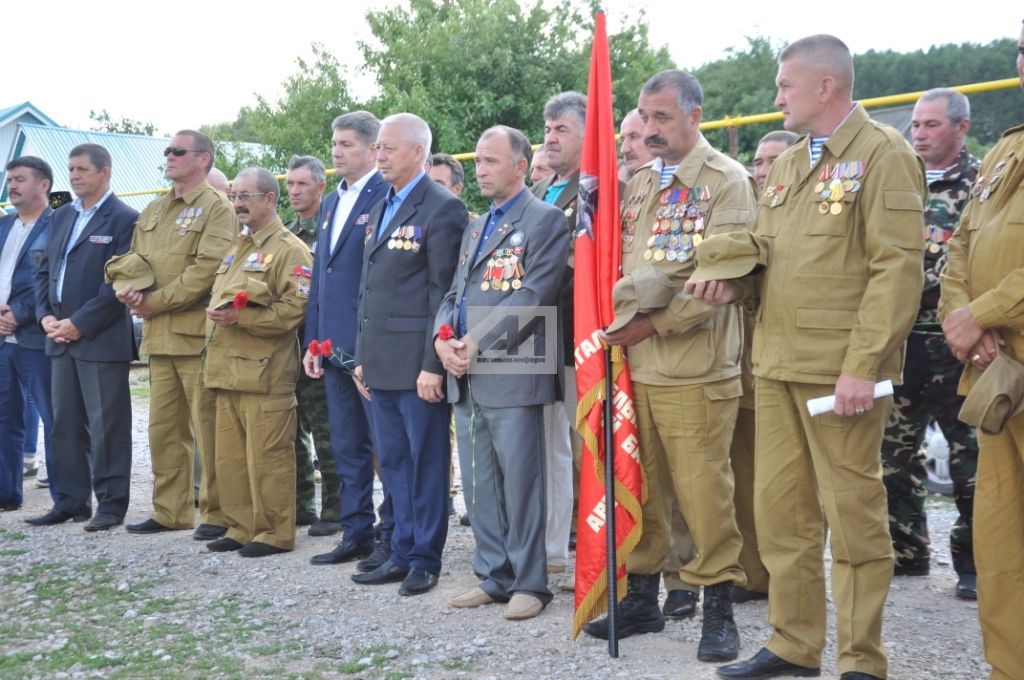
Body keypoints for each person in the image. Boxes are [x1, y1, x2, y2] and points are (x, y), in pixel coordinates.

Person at [687, 35, 925, 680]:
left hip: (838, 374)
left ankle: (861, 659)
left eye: (785, 86)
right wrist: (732, 283)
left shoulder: (884, 154)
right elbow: (769, 258)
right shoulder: (790, 164)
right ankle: (794, 644)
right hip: (776, 365)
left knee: (853, 519)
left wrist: (865, 366)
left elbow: (896, 270)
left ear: (826, 86)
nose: (776, 98)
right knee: (781, 515)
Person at [586, 70, 755, 665]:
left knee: (705, 493)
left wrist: (652, 324)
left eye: (662, 118)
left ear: (694, 116)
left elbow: (721, 284)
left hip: (693, 367)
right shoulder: (637, 183)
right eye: (643, 117)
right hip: (632, 364)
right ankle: (641, 596)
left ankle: (717, 607)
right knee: (642, 485)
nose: (650, 130)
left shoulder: (725, 183)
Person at [437, 125, 568, 620]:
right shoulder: (477, 225)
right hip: (465, 368)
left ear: (520, 166)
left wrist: (476, 342)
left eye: (490, 162)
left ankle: (531, 583)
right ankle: (494, 576)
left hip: (514, 366)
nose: (480, 170)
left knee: (521, 481)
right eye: (478, 162)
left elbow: (534, 294)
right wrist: (441, 340)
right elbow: (454, 294)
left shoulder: (545, 220)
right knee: (479, 482)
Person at [349, 112, 466, 596]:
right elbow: (369, 289)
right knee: (393, 461)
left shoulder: (441, 208)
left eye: (388, 148)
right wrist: (361, 356)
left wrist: (430, 365)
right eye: (377, 147)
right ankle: (400, 548)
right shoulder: (382, 206)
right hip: (380, 360)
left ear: (418, 152)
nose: (379, 156)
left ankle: (425, 557)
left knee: (426, 462)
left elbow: (444, 295)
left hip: (418, 366)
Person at [938, 21, 1024, 679]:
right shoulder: (1004, 152)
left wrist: (983, 312)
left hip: (1003, 342)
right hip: (996, 370)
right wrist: (962, 320)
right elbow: (960, 243)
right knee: (1000, 540)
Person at [883, 88, 981, 598]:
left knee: (969, 459)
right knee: (891, 458)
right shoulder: (899, 180)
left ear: (961, 128)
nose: (918, 134)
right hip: (899, 344)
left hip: (955, 346)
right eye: (915, 125)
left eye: (931, 125)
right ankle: (907, 552)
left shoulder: (983, 183)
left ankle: (973, 563)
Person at [115, 130, 237, 539]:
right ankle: (171, 512)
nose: (168, 156)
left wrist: (156, 301)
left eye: (177, 151)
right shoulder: (153, 209)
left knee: (208, 430)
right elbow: (137, 260)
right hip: (159, 335)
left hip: (196, 337)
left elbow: (208, 271)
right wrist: (126, 285)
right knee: (164, 431)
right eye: (167, 150)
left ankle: (218, 513)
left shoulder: (216, 207)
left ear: (202, 159)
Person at [26, 144, 137, 531]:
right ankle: (71, 501)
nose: (73, 176)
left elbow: (120, 284)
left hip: (99, 338)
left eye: (82, 170)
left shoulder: (123, 218)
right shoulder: (61, 215)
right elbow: (44, 273)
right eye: (70, 169)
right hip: (58, 337)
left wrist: (79, 323)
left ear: (104, 173)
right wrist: (46, 317)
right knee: (64, 423)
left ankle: (111, 503)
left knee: (107, 426)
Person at [202, 167, 311, 557]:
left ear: (269, 199)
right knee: (230, 458)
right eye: (234, 195)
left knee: (269, 457)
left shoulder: (290, 249)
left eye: (246, 196)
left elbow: (293, 311)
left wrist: (241, 318)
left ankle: (274, 532)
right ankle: (240, 525)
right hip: (228, 369)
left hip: (265, 372)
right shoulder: (238, 247)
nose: (237, 203)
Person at [306, 112, 394, 569]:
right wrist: (313, 340)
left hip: (371, 347)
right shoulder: (330, 202)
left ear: (373, 148)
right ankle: (355, 532)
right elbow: (323, 275)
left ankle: (392, 535)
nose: (337, 152)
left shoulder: (386, 194)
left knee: (387, 446)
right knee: (346, 445)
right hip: (333, 346)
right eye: (334, 144)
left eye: (346, 145)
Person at [728, 130, 799, 606]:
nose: (762, 168)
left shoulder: (795, 212)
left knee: (786, 484)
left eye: (774, 160)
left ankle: (789, 581)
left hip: (784, 359)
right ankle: (752, 573)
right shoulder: (746, 210)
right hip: (739, 363)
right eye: (757, 160)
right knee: (743, 473)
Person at [531, 91, 585, 578]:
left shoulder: (596, 189)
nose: (550, 138)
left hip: (578, 339)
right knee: (550, 449)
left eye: (561, 129)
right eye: (547, 129)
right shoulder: (547, 191)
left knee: (588, 450)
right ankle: (551, 551)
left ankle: (601, 551)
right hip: (540, 338)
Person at [283, 155, 342, 536]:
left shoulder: (334, 226)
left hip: (323, 342)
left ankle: (336, 508)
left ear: (321, 186)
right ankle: (302, 503)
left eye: (302, 184)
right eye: (290, 184)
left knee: (327, 429)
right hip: (291, 342)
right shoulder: (287, 233)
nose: (295, 191)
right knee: (293, 428)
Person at [0, 157, 56, 513]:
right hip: (2, 338)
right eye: (9, 180)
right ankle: (6, 493)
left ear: (44, 184)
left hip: (36, 336)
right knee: (5, 417)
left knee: (54, 417)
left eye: (20, 179)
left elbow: (52, 281)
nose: (12, 186)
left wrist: (18, 314)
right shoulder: (3, 224)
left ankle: (66, 500)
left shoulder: (58, 224)